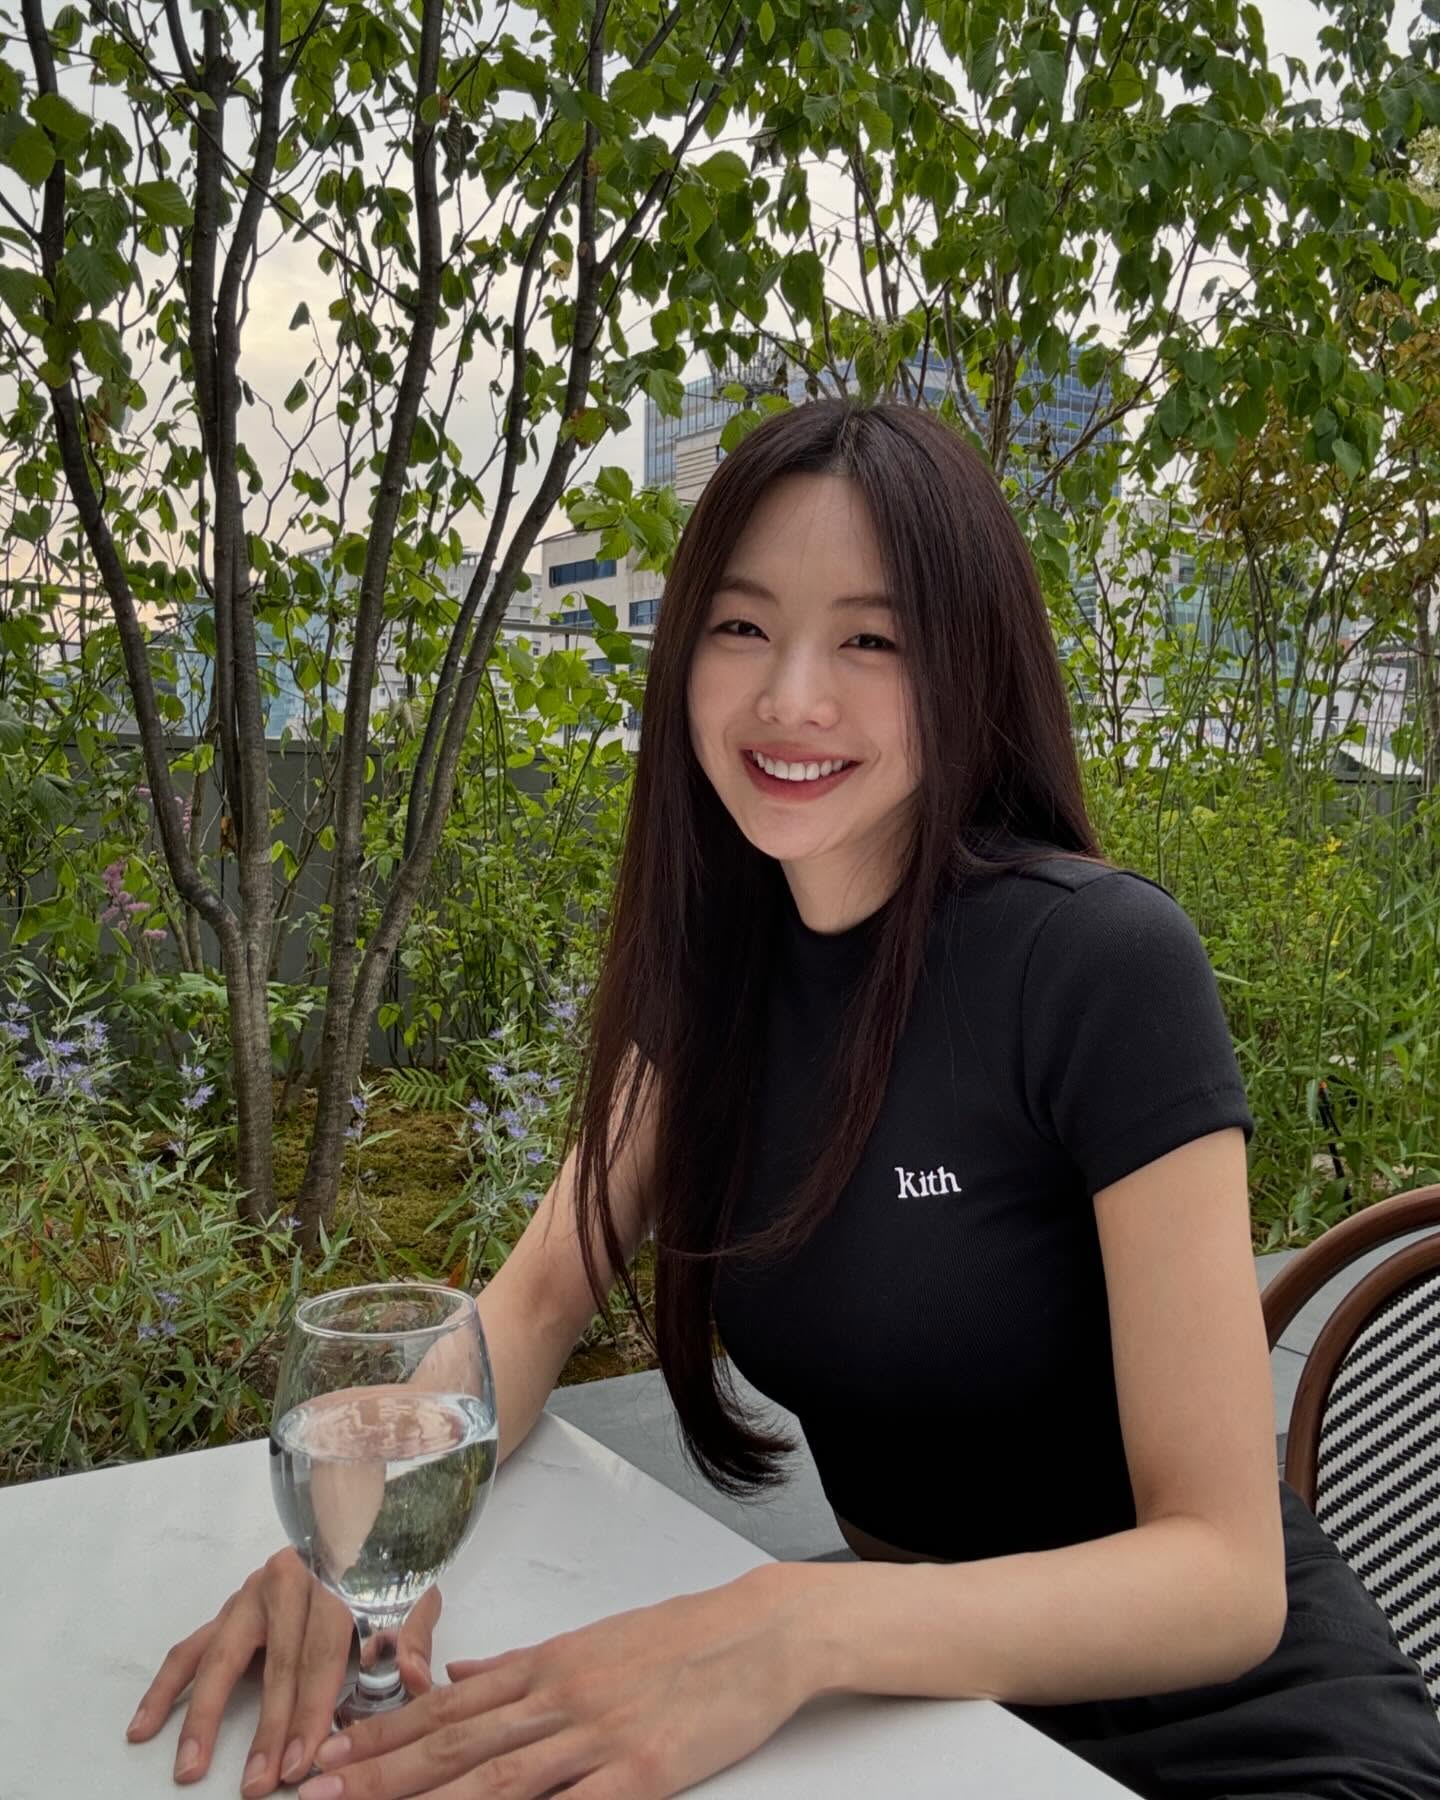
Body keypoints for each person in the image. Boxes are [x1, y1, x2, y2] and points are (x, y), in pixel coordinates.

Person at [128, 401, 1440, 1800]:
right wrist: (359, 1536)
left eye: (872, 641)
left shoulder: (1099, 963)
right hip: (922, 1721)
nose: (791, 698)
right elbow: (531, 1307)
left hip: (1248, 1744)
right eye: (742, 626)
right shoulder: (714, 987)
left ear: (968, 665)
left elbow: (1226, 1579)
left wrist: (789, 1627)